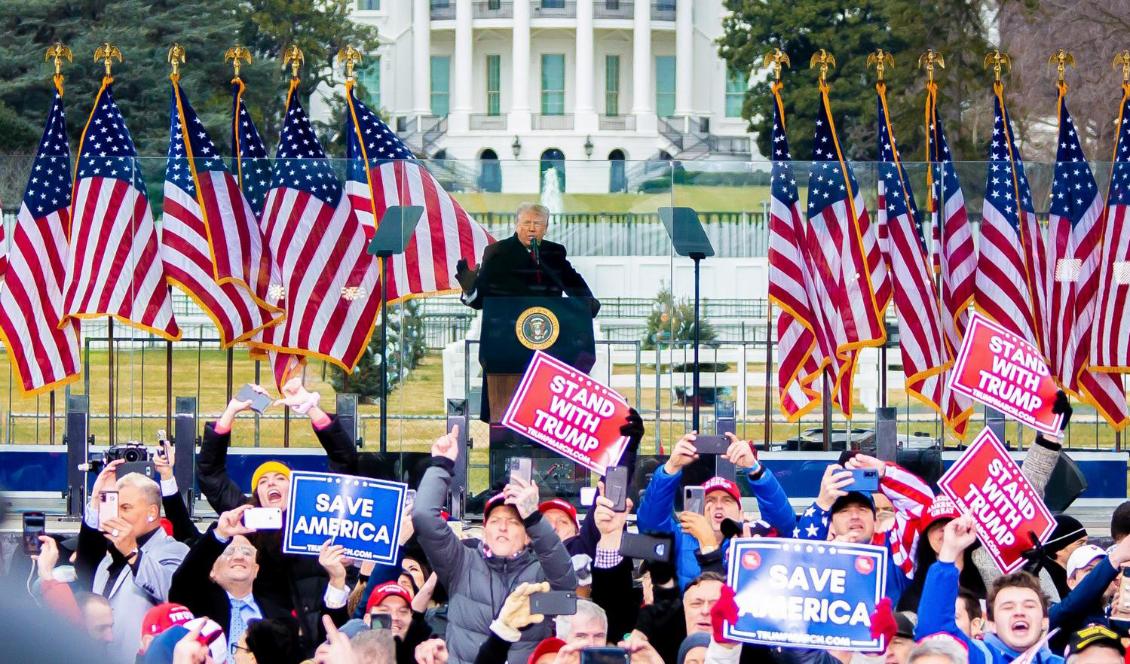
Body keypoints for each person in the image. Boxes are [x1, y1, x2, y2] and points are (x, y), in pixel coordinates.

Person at [196, 377, 360, 655]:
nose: (271, 483)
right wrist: (231, 412)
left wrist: (312, 409)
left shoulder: (316, 514)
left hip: (315, 635)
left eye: (279, 479)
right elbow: (210, 473)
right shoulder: (248, 517)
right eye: (264, 481)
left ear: (293, 487)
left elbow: (345, 462)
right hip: (267, 641)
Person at [413, 425, 576, 663]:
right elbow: (424, 517)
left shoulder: (541, 572)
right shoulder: (461, 563)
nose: (502, 527)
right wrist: (441, 465)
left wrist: (533, 517)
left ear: (528, 534)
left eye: (513, 521)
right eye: (495, 520)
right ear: (485, 529)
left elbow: (566, 588)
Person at [454, 202, 600, 421]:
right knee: (509, 415)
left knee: (543, 412)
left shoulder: (554, 253)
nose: (532, 228)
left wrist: (588, 304)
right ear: (517, 224)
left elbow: (574, 285)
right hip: (507, 346)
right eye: (527, 223)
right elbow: (481, 300)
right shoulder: (498, 253)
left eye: (538, 224)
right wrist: (469, 289)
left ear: (546, 227)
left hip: (549, 347)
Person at [635, 431, 796, 589]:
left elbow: (783, 525)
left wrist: (754, 469)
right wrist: (671, 467)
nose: (718, 506)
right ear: (699, 510)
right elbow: (650, 523)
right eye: (710, 500)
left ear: (741, 514)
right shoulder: (680, 537)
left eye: (727, 500)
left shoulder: (749, 538)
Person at [168, 504, 335, 652]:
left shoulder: (279, 614)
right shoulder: (197, 602)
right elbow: (185, 579)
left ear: (256, 570)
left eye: (247, 552)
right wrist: (220, 534)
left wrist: (337, 578)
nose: (239, 556)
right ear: (212, 571)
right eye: (229, 551)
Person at [76, 460, 189, 660]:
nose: (117, 515)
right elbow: (84, 568)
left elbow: (170, 590)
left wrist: (132, 552)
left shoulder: (174, 551)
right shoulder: (108, 558)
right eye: (114, 507)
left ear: (152, 512)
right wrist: (96, 500)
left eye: (126, 507)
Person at [916, 515, 1063, 664]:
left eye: (1029, 605)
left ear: (1045, 621)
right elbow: (934, 634)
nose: (1019, 612)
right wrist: (949, 552)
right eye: (1008, 607)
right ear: (991, 624)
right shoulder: (979, 658)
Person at [797, 452, 933, 606]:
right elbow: (797, 561)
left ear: (876, 522)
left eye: (863, 509)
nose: (854, 515)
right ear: (831, 525)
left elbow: (924, 506)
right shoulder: (819, 559)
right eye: (844, 511)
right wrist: (822, 504)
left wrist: (885, 473)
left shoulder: (895, 553)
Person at [363, 581, 436, 663]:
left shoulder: (429, 657)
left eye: (403, 611)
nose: (395, 617)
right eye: (384, 610)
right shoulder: (353, 656)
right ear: (367, 619)